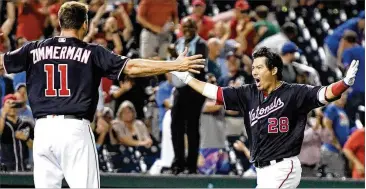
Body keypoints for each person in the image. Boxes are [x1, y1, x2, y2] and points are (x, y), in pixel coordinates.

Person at [0, 1, 204, 188]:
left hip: (43, 131)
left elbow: (2, 61)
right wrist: (175, 64)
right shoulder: (91, 52)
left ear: (60, 23)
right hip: (74, 129)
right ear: (85, 25)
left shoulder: (34, 49)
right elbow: (131, 67)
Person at [171, 47, 359, 188]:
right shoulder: (248, 93)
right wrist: (187, 79)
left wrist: (343, 84)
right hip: (262, 170)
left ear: (274, 70)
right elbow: (215, 92)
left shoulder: (294, 93)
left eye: (259, 67)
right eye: (253, 67)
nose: (254, 72)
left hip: (284, 166)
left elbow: (324, 94)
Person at [170, 17, 208, 174]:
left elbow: (197, 66)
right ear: (181, 27)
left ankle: (191, 166)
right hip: (179, 89)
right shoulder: (178, 42)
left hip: (194, 88)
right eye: (185, 27)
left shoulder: (201, 45)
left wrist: (179, 60)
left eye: (191, 27)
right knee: (176, 126)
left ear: (196, 29)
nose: (187, 30)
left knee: (192, 127)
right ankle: (178, 163)